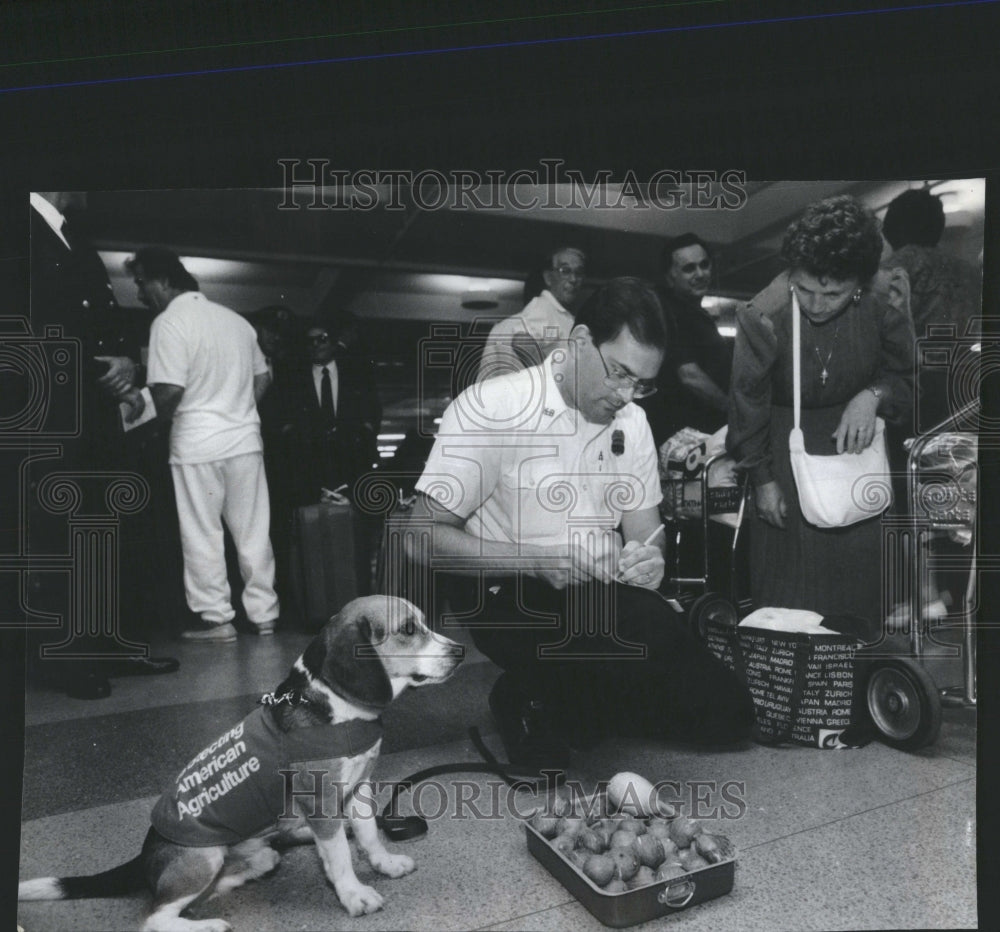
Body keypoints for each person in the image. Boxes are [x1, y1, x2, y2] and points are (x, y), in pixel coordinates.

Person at [405, 277, 754, 767]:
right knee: (635, 636)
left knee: (730, 719)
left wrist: (649, 562)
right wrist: (537, 560)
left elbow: (644, 536)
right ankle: (533, 691)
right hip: (510, 596)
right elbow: (419, 538)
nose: (627, 395)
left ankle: (560, 697)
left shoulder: (631, 422)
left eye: (642, 384)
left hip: (601, 599)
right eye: (619, 374)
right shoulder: (493, 408)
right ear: (581, 340)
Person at [727, 196, 915, 637]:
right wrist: (762, 480)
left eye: (833, 294)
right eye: (805, 288)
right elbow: (745, 401)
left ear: (860, 284)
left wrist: (871, 395)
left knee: (861, 599)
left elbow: (906, 382)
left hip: (857, 457)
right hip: (781, 453)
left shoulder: (882, 300)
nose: (816, 304)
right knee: (789, 600)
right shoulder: (763, 314)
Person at [25, 193, 179, 698]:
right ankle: (68, 661)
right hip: (48, 410)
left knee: (107, 529)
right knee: (61, 536)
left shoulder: (74, 239)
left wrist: (126, 368)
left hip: (91, 410)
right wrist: (99, 366)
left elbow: (99, 319)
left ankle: (110, 646)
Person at [121, 247, 280, 642]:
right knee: (254, 533)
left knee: (202, 534)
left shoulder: (169, 322)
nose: (140, 293)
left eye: (141, 283)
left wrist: (133, 423)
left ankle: (216, 620)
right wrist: (237, 409)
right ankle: (265, 616)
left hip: (196, 444)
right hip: (244, 441)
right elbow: (264, 378)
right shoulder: (236, 321)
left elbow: (169, 390)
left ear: (162, 280)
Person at [881, 187, 982, 432]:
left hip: (920, 386)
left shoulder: (898, 266)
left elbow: (880, 328)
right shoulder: (968, 271)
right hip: (969, 384)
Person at [642, 234, 731, 446]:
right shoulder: (667, 312)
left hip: (706, 435)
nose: (700, 274)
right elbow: (689, 375)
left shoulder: (696, 314)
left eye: (704, 265)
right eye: (689, 268)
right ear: (670, 277)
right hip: (684, 442)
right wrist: (733, 409)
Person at [477, 247, 586, 380]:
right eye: (565, 271)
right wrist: (551, 384)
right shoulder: (543, 307)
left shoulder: (561, 315)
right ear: (548, 278)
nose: (573, 279)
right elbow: (521, 341)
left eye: (579, 272)